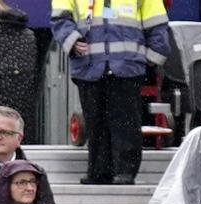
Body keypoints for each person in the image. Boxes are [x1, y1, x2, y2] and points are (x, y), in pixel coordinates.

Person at [53, 0, 166, 185]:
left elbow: (157, 24)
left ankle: (125, 171)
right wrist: (71, 39)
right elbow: (60, 18)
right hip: (90, 65)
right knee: (95, 121)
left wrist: (152, 58)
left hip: (126, 65)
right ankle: (99, 171)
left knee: (126, 122)